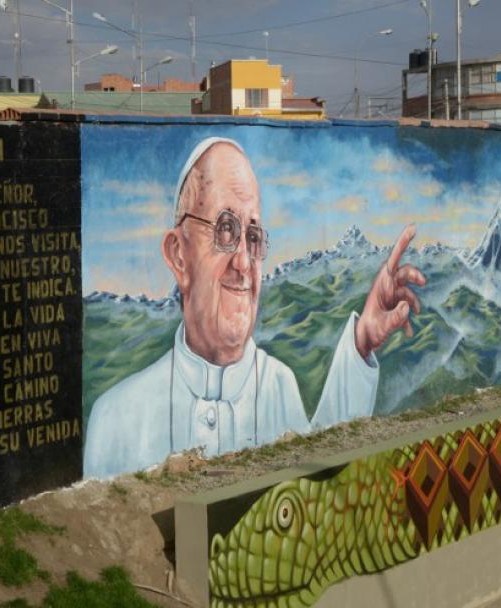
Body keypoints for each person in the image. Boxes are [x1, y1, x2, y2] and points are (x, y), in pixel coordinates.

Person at [83, 137, 425, 478]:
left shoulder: (279, 385)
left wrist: (361, 341)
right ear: (178, 256)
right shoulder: (115, 421)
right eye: (226, 230)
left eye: (253, 237)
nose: (244, 263)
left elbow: (317, 476)